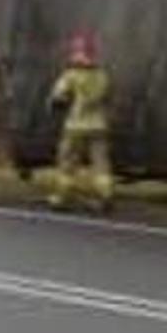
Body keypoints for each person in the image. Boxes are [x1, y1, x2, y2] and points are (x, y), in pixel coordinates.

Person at [47, 31, 113, 212]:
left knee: (67, 162)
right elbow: (107, 97)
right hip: (98, 125)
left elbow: (58, 97)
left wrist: (54, 104)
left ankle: (62, 197)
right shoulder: (102, 75)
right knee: (101, 164)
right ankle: (104, 195)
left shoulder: (71, 75)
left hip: (75, 125)